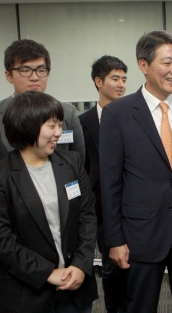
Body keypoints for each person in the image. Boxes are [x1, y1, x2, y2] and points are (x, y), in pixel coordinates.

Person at [99, 30, 172, 313]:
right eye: (167, 62)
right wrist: (115, 239)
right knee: (140, 306)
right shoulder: (117, 114)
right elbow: (109, 183)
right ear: (143, 65)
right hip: (139, 233)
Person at [0, 91, 97, 312]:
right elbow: (4, 241)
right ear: (27, 126)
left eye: (60, 125)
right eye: (51, 126)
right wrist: (48, 273)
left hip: (76, 289)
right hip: (28, 294)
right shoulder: (4, 175)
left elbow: (87, 216)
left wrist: (81, 265)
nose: (58, 133)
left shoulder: (71, 163)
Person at [78, 55, 128, 313]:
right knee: (110, 266)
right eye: (114, 79)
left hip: (133, 205)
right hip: (99, 208)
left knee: (136, 265)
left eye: (124, 79)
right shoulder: (82, 122)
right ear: (98, 82)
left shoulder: (133, 117)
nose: (121, 85)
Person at [0, 39, 85, 161]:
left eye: (41, 70)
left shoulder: (67, 112)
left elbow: (78, 161)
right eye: (25, 70)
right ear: (8, 76)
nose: (34, 77)